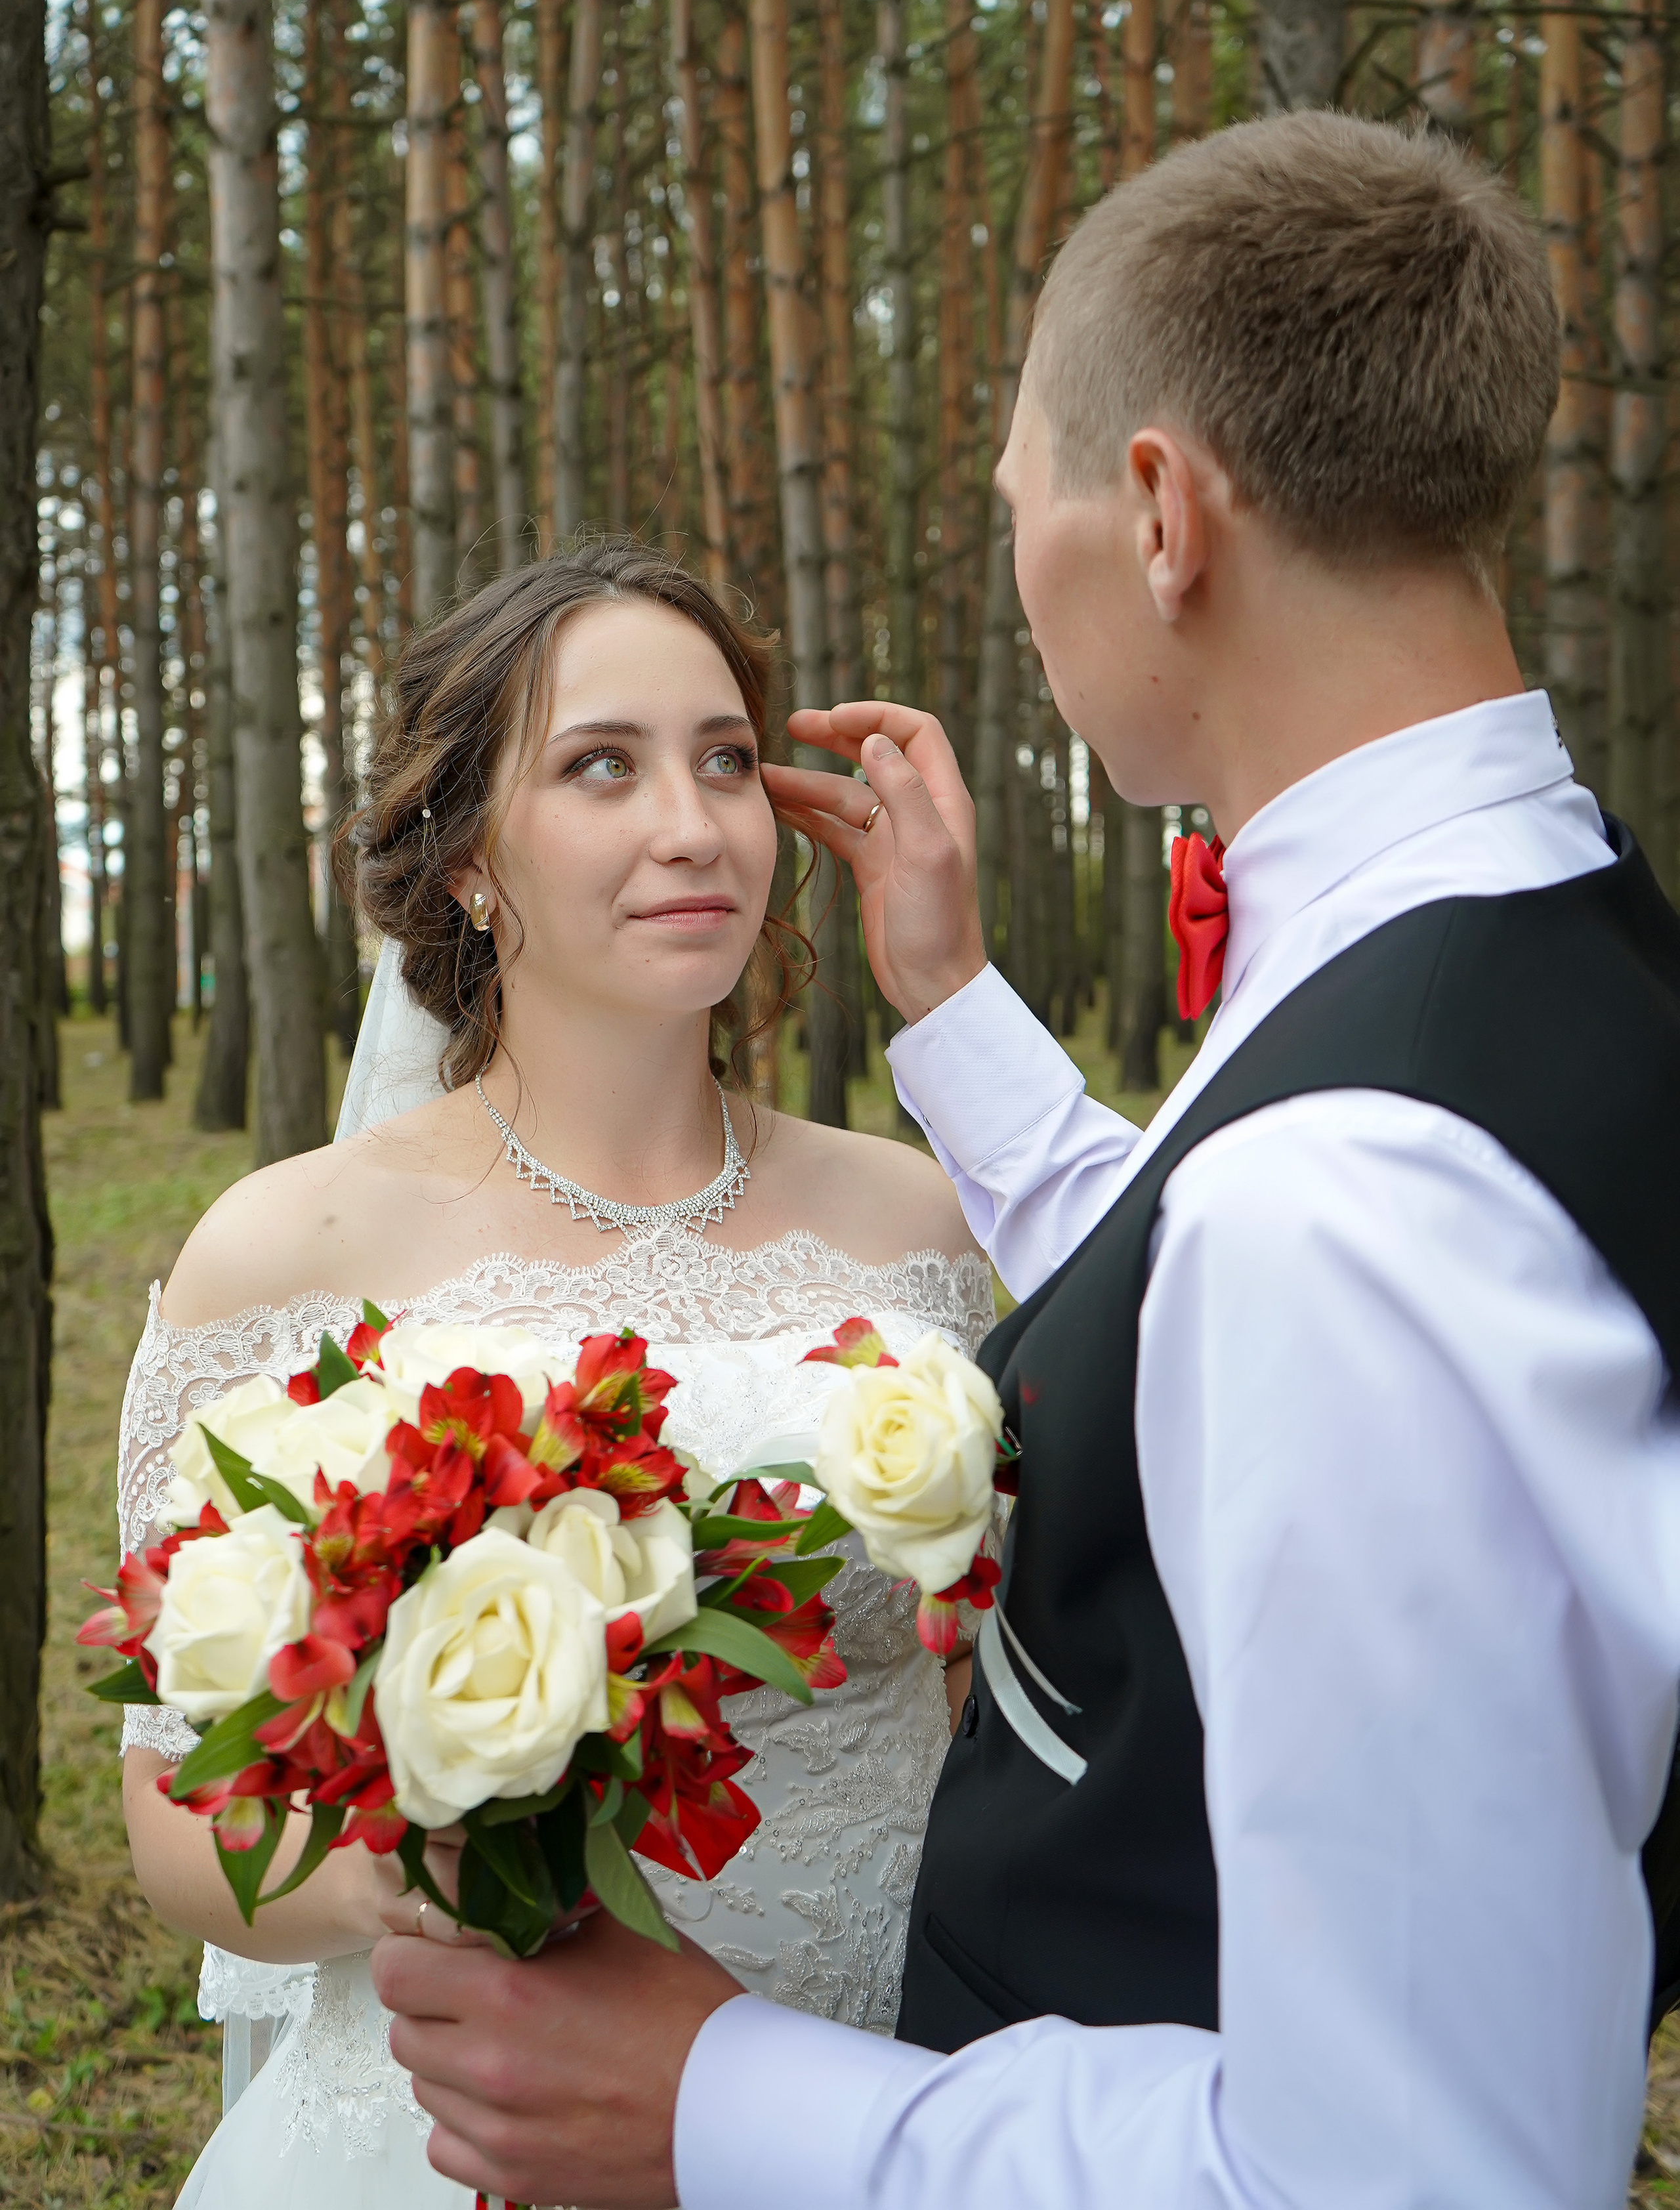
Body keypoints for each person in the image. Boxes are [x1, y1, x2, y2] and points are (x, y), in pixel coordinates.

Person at [373, 110, 1680, 2210]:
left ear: (1157, 510)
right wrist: (960, 1007)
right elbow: (1219, 1302)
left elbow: (1424, 2175)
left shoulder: (1351, 1194)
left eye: (1020, 503)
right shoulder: (1538, 935)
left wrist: (719, 2101)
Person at [115, 540, 990, 2208]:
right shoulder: (283, 1253)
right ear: (465, 862)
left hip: (859, 2109)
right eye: (604, 764)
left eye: (726, 759)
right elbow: (174, 1801)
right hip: (447, 2133)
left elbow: (984, 1693)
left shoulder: (921, 1225)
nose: (695, 823)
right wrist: (418, 1866)